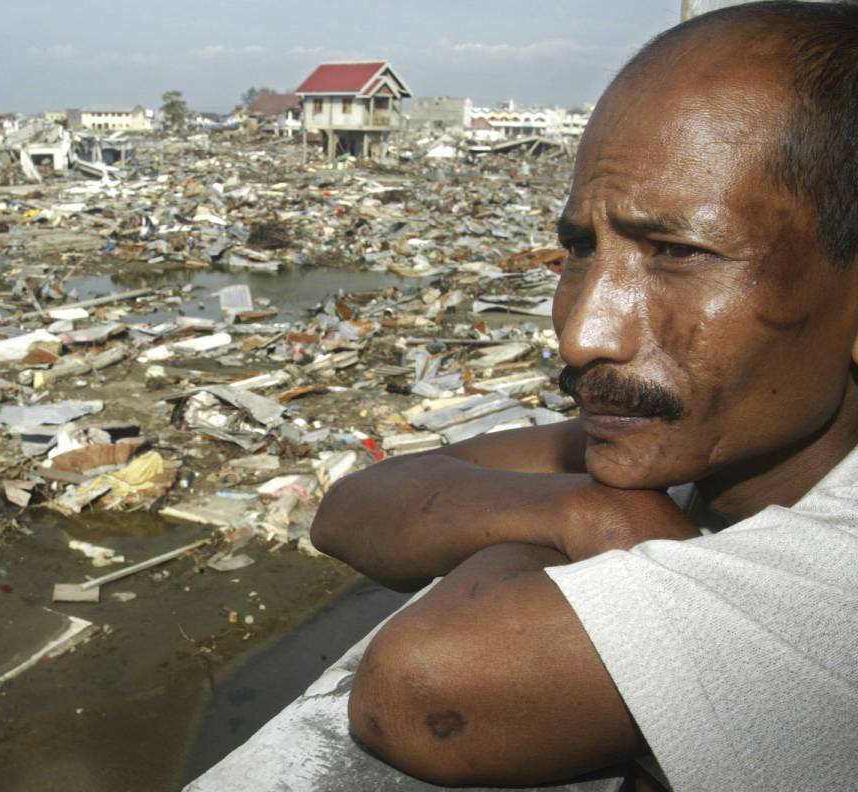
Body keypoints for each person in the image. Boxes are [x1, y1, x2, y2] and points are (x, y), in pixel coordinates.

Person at [308, 3, 858, 790]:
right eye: (580, 249)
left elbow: (422, 689)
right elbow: (355, 506)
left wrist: (547, 521)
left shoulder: (836, 587)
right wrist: (591, 514)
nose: (582, 334)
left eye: (676, 251)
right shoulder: (710, 445)